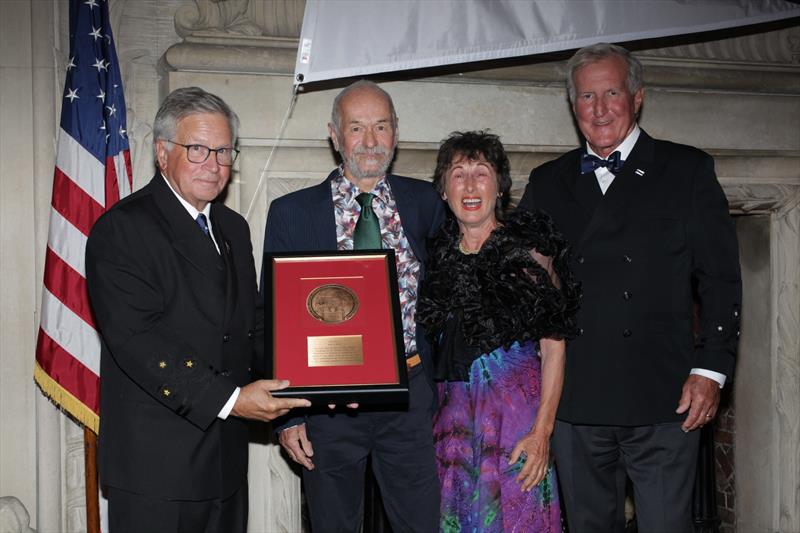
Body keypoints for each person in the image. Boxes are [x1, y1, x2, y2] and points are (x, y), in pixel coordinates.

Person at [518, 43, 742, 532]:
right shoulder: (547, 181)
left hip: (664, 398)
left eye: (611, 93)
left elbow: (721, 278)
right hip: (577, 400)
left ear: (637, 97)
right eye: (586, 96)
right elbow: (528, 285)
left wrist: (712, 368)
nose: (599, 109)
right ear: (572, 105)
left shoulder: (687, 170)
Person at [86, 86, 310, 532]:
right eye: (198, 149)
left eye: (224, 150)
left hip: (224, 462)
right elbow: (138, 341)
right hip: (156, 470)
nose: (214, 163)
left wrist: (314, 384)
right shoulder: (123, 229)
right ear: (163, 153)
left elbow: (255, 328)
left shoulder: (232, 226)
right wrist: (233, 400)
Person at [263, 80, 445, 532]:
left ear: (396, 133)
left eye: (381, 127)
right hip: (328, 406)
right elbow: (275, 317)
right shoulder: (292, 213)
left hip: (411, 393)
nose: (370, 141)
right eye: (357, 127)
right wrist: (289, 414)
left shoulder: (426, 203)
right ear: (334, 134)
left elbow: (448, 299)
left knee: (421, 523)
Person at [416, 131, 580, 532]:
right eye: (458, 174)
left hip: (516, 426)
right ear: (443, 189)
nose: (470, 185)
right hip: (450, 431)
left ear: (500, 186)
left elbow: (554, 349)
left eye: (482, 172)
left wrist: (542, 433)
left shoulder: (530, 250)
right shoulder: (434, 255)